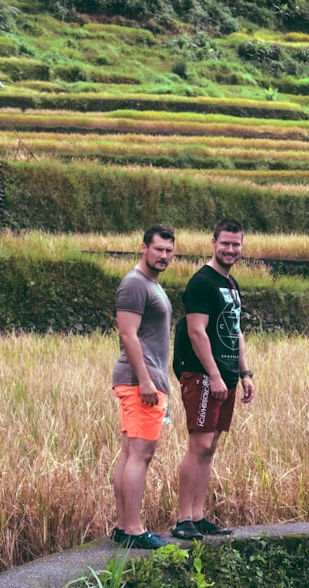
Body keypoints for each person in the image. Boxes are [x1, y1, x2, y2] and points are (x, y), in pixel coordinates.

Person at [171, 218, 255, 541]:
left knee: (212, 446)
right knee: (199, 444)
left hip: (228, 375)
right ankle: (183, 519)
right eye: (226, 244)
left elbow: (236, 332)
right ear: (213, 242)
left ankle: (198, 515)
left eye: (236, 244)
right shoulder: (202, 283)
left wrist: (244, 373)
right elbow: (196, 332)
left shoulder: (231, 286)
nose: (231, 250)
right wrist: (215, 376)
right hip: (204, 375)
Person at [111, 224, 176, 549]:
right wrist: (147, 380)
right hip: (141, 382)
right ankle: (133, 529)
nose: (164, 256)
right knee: (140, 454)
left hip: (145, 380)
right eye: (159, 249)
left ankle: (124, 526)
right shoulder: (135, 284)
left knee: (130, 453)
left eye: (169, 251)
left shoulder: (149, 284)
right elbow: (128, 334)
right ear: (143, 248)